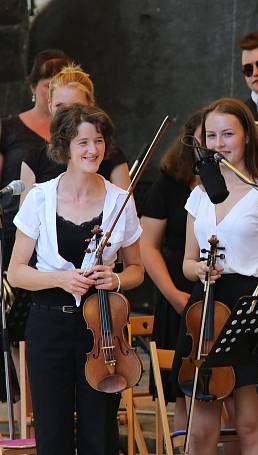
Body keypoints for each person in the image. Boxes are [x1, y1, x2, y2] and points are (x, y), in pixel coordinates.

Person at [8, 104, 144, 454]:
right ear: (64, 146)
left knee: (99, 436)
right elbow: (17, 273)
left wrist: (113, 280)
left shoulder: (120, 201)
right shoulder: (39, 198)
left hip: (102, 328)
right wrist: (61, 280)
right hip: (48, 327)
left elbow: (136, 271)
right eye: (83, 142)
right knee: (52, 436)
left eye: (98, 141)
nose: (92, 150)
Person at [174, 97, 258, 454]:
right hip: (205, 309)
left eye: (228, 133)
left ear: (246, 137)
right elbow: (186, 263)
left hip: (250, 306)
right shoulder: (198, 194)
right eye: (211, 135)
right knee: (202, 425)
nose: (219, 143)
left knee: (251, 424)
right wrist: (198, 270)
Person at [139, 111, 203, 433]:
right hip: (177, 292)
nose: (214, 143)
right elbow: (147, 246)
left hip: (226, 294)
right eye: (207, 136)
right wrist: (174, 295)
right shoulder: (169, 185)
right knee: (186, 392)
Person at [0, 50, 71, 267]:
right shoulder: (8, 128)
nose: (54, 92)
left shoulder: (81, 135)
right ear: (32, 86)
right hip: (15, 230)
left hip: (63, 230)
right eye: (48, 85)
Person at [20, 64, 131, 200]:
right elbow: (27, 216)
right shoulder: (34, 158)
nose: (67, 115)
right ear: (50, 106)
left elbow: (125, 212)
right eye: (59, 106)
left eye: (75, 107)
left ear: (91, 105)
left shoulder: (112, 157)